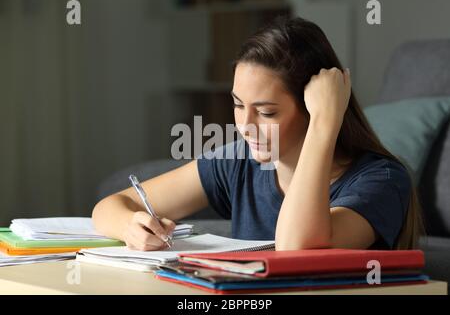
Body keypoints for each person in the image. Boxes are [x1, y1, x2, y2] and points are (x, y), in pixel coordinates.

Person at [92, 16, 425, 251]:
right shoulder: (238, 162)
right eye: (238, 105)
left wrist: (325, 123)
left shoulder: (381, 180)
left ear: (313, 107)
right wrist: (130, 227)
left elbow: (298, 247)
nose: (245, 126)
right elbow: (110, 206)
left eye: (266, 112)